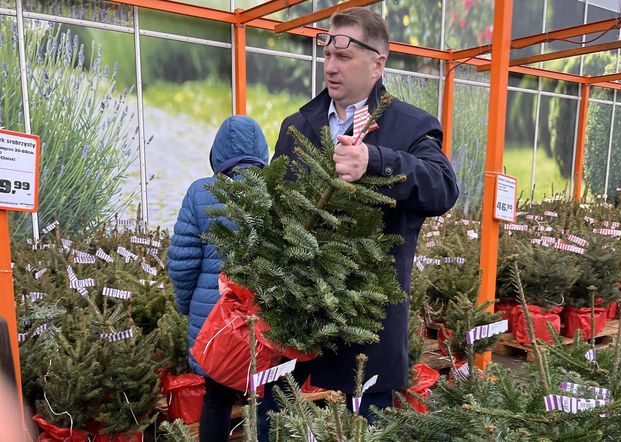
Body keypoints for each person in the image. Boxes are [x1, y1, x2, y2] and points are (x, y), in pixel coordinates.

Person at [260, 6, 459, 438]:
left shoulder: (411, 127)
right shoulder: (298, 126)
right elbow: (274, 208)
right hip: (293, 328)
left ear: (378, 63)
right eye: (328, 54)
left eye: (344, 57)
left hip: (367, 333)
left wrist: (375, 160)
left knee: (367, 428)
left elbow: (443, 187)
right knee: (276, 427)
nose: (330, 67)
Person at [168, 115, 269, 442]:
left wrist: (188, 308)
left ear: (217, 152)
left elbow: (182, 264)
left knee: (216, 400)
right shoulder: (277, 192)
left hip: (216, 322)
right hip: (266, 320)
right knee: (268, 401)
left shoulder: (200, 193)